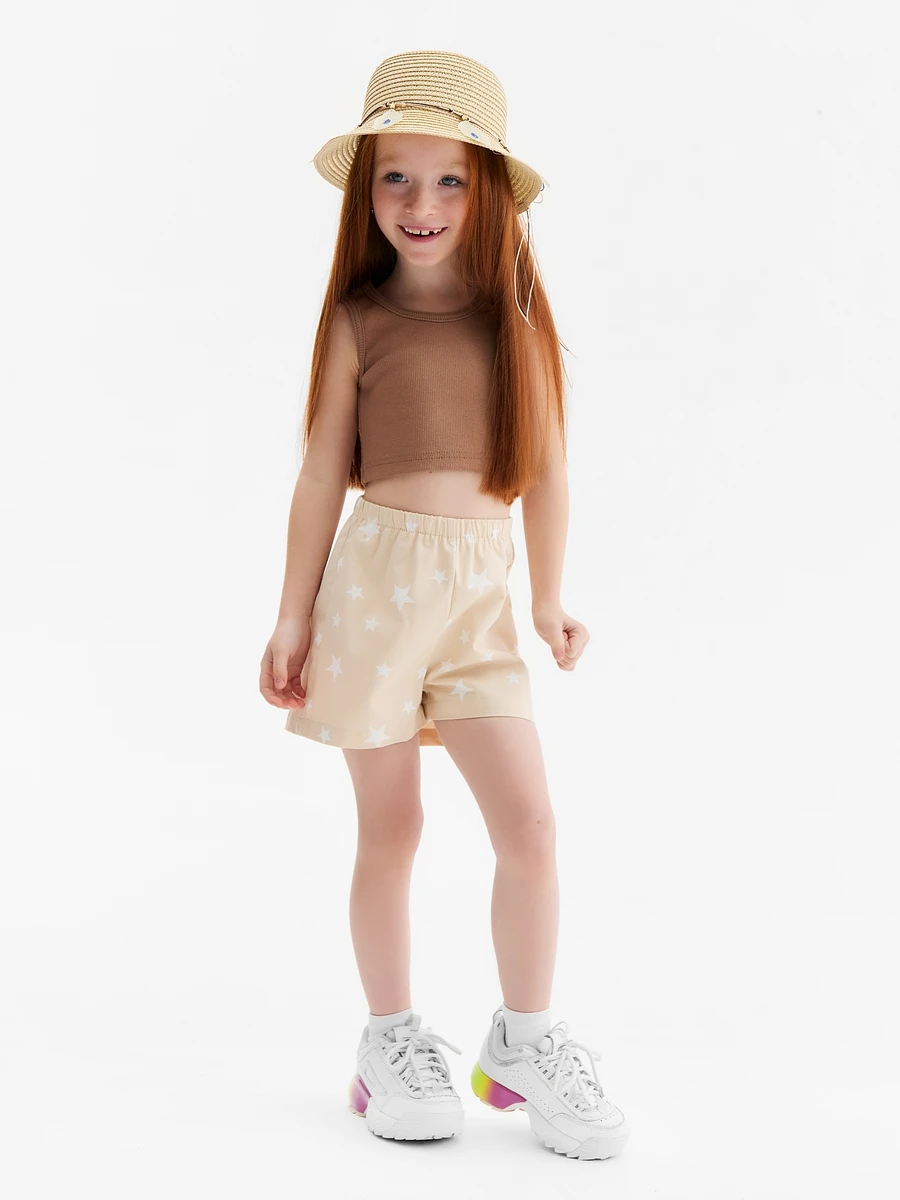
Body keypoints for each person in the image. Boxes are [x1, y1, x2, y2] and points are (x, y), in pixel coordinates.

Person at [258, 50, 629, 1160]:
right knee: (395, 825)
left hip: (477, 607)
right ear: (367, 192)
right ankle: (390, 1039)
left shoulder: (515, 324)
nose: (421, 203)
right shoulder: (358, 321)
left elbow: (548, 474)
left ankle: (524, 1039)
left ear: (490, 191)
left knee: (530, 825)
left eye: (451, 180)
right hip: (372, 594)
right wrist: (292, 615)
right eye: (397, 178)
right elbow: (320, 475)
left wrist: (549, 599)